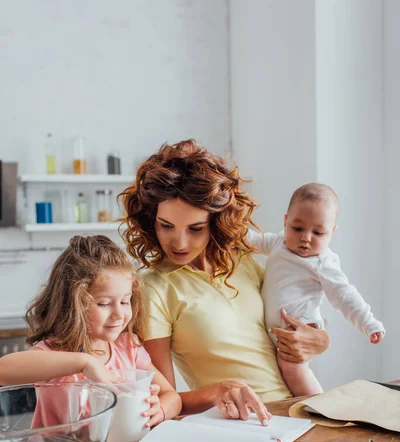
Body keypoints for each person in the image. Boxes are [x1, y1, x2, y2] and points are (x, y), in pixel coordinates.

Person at [119, 140, 330, 424]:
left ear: (216, 221)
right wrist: (220, 391)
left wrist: (319, 339)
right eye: (166, 226)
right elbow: (163, 400)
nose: (179, 243)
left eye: (195, 229)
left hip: (297, 409)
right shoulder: (154, 287)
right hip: (240, 423)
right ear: (150, 220)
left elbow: (287, 321)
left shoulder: (242, 260)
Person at [0, 235, 182, 428]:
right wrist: (85, 363)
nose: (119, 314)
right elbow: (3, 370)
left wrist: (159, 410)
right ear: (72, 305)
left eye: (124, 301)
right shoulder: (55, 353)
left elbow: (172, 397)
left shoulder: (128, 347)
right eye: (104, 303)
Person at [247, 183, 385, 397]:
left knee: (293, 369)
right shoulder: (278, 243)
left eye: (318, 232)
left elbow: (345, 295)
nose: (306, 238)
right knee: (280, 373)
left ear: (332, 232)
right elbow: (251, 240)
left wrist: (369, 324)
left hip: (300, 325)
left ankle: (318, 406)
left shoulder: (323, 262)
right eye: (297, 228)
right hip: (276, 329)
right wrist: (228, 230)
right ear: (285, 221)